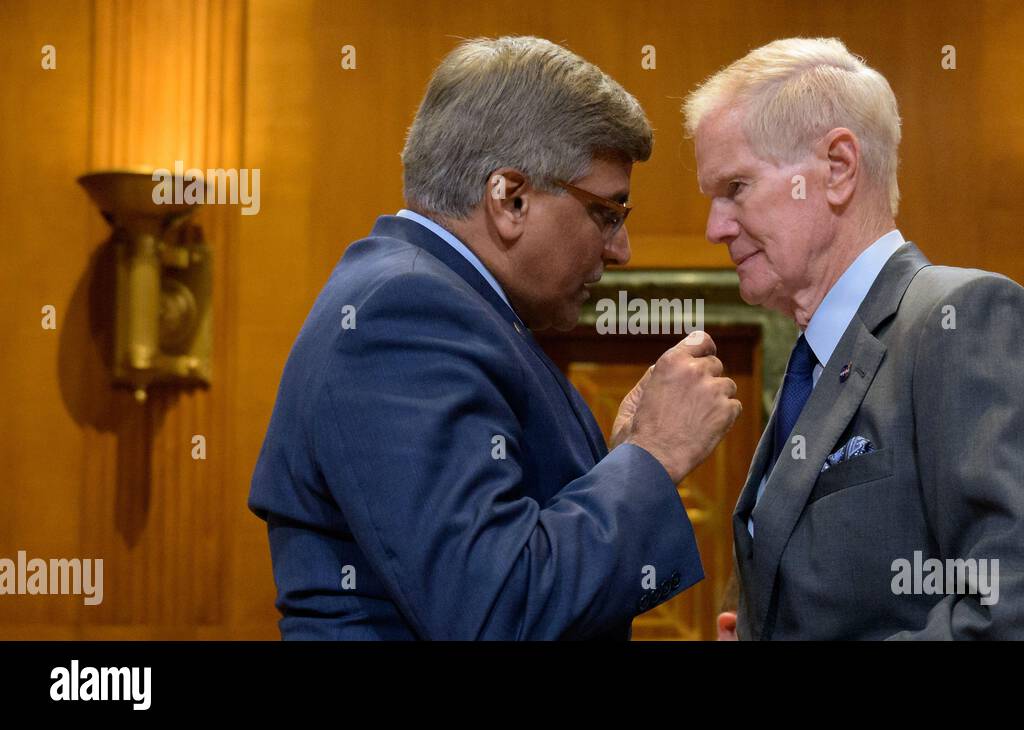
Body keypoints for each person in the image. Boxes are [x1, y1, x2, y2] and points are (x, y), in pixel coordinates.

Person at [249, 36, 741, 640]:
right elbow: (494, 608)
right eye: (606, 213)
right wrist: (655, 458)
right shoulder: (403, 317)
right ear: (510, 198)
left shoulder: (448, 304)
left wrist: (619, 462)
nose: (620, 250)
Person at [685, 37, 1024, 640]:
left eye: (736, 188)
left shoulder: (970, 321)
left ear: (837, 168)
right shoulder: (819, 364)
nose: (714, 227)